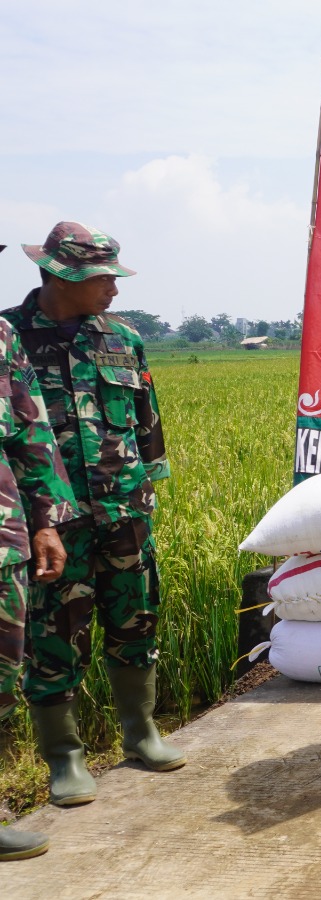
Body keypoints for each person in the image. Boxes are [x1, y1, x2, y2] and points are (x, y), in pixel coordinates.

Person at [4, 222, 184, 807]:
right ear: (59, 276)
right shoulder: (12, 337)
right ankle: (65, 758)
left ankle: (141, 732)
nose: (113, 287)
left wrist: (149, 491)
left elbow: (146, 420)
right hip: (52, 520)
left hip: (124, 509)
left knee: (136, 621)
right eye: (101, 277)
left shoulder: (122, 340)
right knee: (56, 639)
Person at [0, 295, 73, 860]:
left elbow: (30, 435)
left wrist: (46, 523)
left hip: (3, 543)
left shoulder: (1, 337)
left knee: (1, 679)